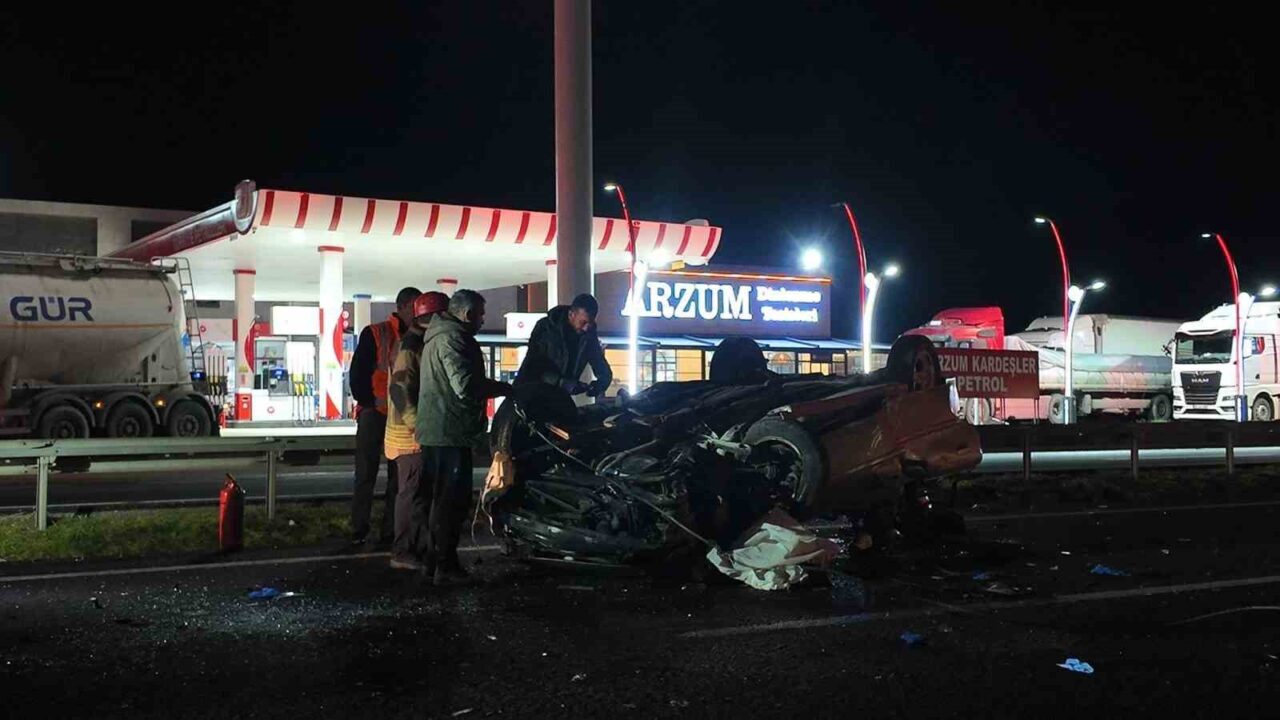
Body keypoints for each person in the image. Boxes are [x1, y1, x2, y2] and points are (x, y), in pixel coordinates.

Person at [417, 289, 512, 586]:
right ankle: (445, 566)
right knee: (451, 502)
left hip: (441, 431)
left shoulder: (440, 336)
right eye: (481, 315)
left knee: (442, 500)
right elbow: (465, 386)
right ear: (468, 314)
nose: (483, 320)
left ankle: (434, 562)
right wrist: (505, 388)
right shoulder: (453, 339)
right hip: (450, 432)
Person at [348, 286, 421, 545]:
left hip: (400, 417)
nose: (418, 313)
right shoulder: (376, 333)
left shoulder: (418, 336)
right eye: (414, 307)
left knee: (397, 480)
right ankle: (360, 529)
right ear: (401, 307)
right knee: (366, 475)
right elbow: (357, 375)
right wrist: (369, 402)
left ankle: (390, 531)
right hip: (376, 413)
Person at [385, 291, 450, 571]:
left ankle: (417, 548)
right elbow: (399, 390)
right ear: (434, 317)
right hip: (409, 437)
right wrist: (418, 426)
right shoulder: (412, 345)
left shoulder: (419, 342)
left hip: (412, 434)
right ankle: (403, 551)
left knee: (419, 495)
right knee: (411, 495)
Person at [515, 293, 612, 397]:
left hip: (557, 396)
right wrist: (562, 383)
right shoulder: (546, 328)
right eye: (583, 322)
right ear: (571, 314)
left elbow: (599, 362)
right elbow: (533, 365)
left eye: (590, 323)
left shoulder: (588, 335)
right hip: (530, 394)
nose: (586, 328)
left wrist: (601, 384)